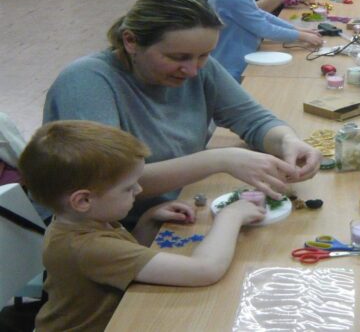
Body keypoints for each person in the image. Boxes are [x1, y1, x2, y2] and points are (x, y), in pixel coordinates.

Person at [43, 0, 321, 223]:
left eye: (204, 55)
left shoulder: (199, 66)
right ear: (130, 41)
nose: (192, 70)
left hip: (174, 208)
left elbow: (253, 119)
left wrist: (287, 141)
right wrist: (220, 159)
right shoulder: (86, 82)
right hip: (114, 231)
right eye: (178, 57)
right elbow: (107, 184)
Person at [18, 120, 266, 332]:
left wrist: (148, 220)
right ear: (83, 200)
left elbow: (124, 260)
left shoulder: (82, 219)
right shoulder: (86, 245)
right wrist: (230, 216)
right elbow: (205, 270)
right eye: (128, 187)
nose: (139, 190)